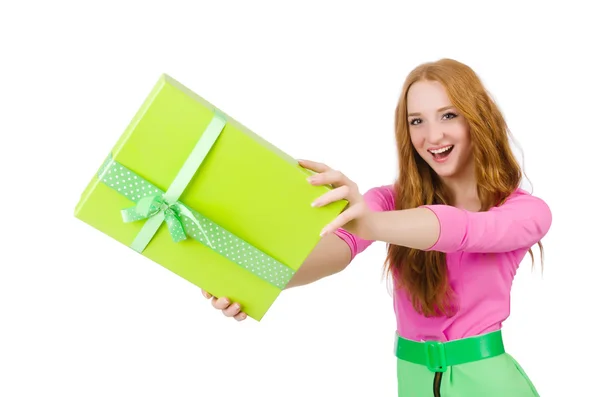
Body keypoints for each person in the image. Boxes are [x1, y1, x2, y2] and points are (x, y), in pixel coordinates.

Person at [201, 58, 552, 396]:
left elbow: (463, 230)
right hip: (411, 381)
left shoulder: (526, 212)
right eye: (417, 121)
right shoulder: (388, 200)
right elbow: (335, 250)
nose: (432, 135)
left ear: (478, 118)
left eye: (448, 115)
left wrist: (370, 223)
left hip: (490, 385)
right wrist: (251, 278)